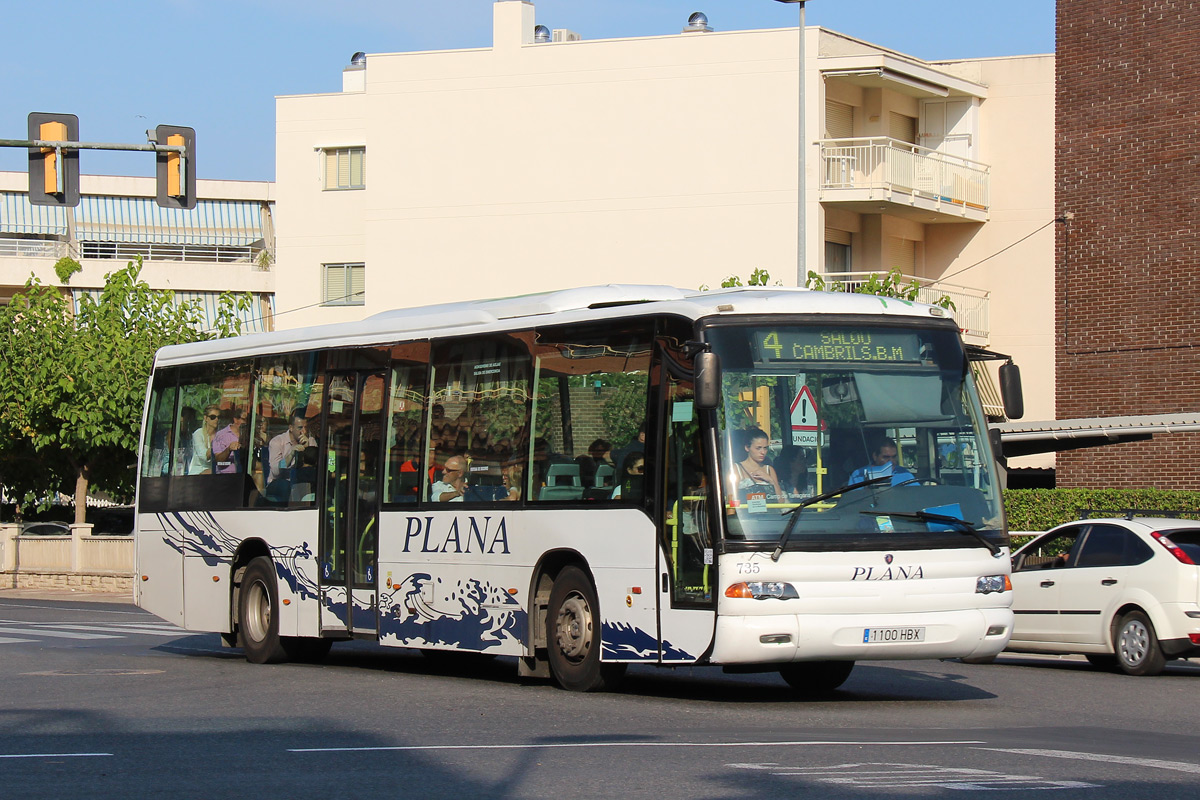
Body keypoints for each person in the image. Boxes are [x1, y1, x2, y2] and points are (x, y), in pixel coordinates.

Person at [735, 428, 784, 499]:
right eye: (758, 448)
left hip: (769, 510)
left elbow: (781, 500)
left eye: (765, 448)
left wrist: (771, 480)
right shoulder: (737, 469)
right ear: (747, 448)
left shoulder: (769, 470)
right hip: (745, 509)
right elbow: (732, 498)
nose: (763, 452)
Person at [268, 408, 315, 483]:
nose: (304, 431)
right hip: (280, 484)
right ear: (291, 428)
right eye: (300, 428)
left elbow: (316, 468)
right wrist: (291, 455)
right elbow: (275, 471)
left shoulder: (310, 441)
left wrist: (307, 450)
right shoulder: (277, 442)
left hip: (302, 484)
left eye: (305, 427)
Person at [848, 437, 914, 486]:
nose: (891, 461)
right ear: (875, 456)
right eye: (886, 457)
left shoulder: (904, 474)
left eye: (893, 457)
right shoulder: (858, 475)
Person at [211, 407, 248, 474]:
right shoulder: (221, 435)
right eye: (244, 419)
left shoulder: (249, 435)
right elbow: (218, 460)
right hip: (226, 475)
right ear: (236, 420)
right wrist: (228, 449)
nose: (246, 422)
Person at [188, 404, 220, 475]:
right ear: (206, 418)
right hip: (198, 471)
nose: (216, 419)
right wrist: (215, 447)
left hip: (215, 471)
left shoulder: (220, 435)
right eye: (213, 417)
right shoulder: (198, 433)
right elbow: (203, 456)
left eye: (218, 417)